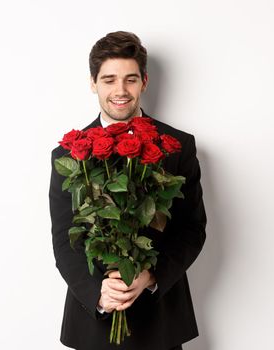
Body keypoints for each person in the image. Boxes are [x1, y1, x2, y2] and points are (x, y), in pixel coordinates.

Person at [49, 31, 207, 350]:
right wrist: (100, 293)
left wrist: (150, 277)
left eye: (130, 79)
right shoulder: (68, 154)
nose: (120, 91)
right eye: (109, 79)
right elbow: (65, 238)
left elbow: (192, 229)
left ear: (144, 81)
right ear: (93, 83)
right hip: (94, 323)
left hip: (161, 321)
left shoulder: (177, 146)